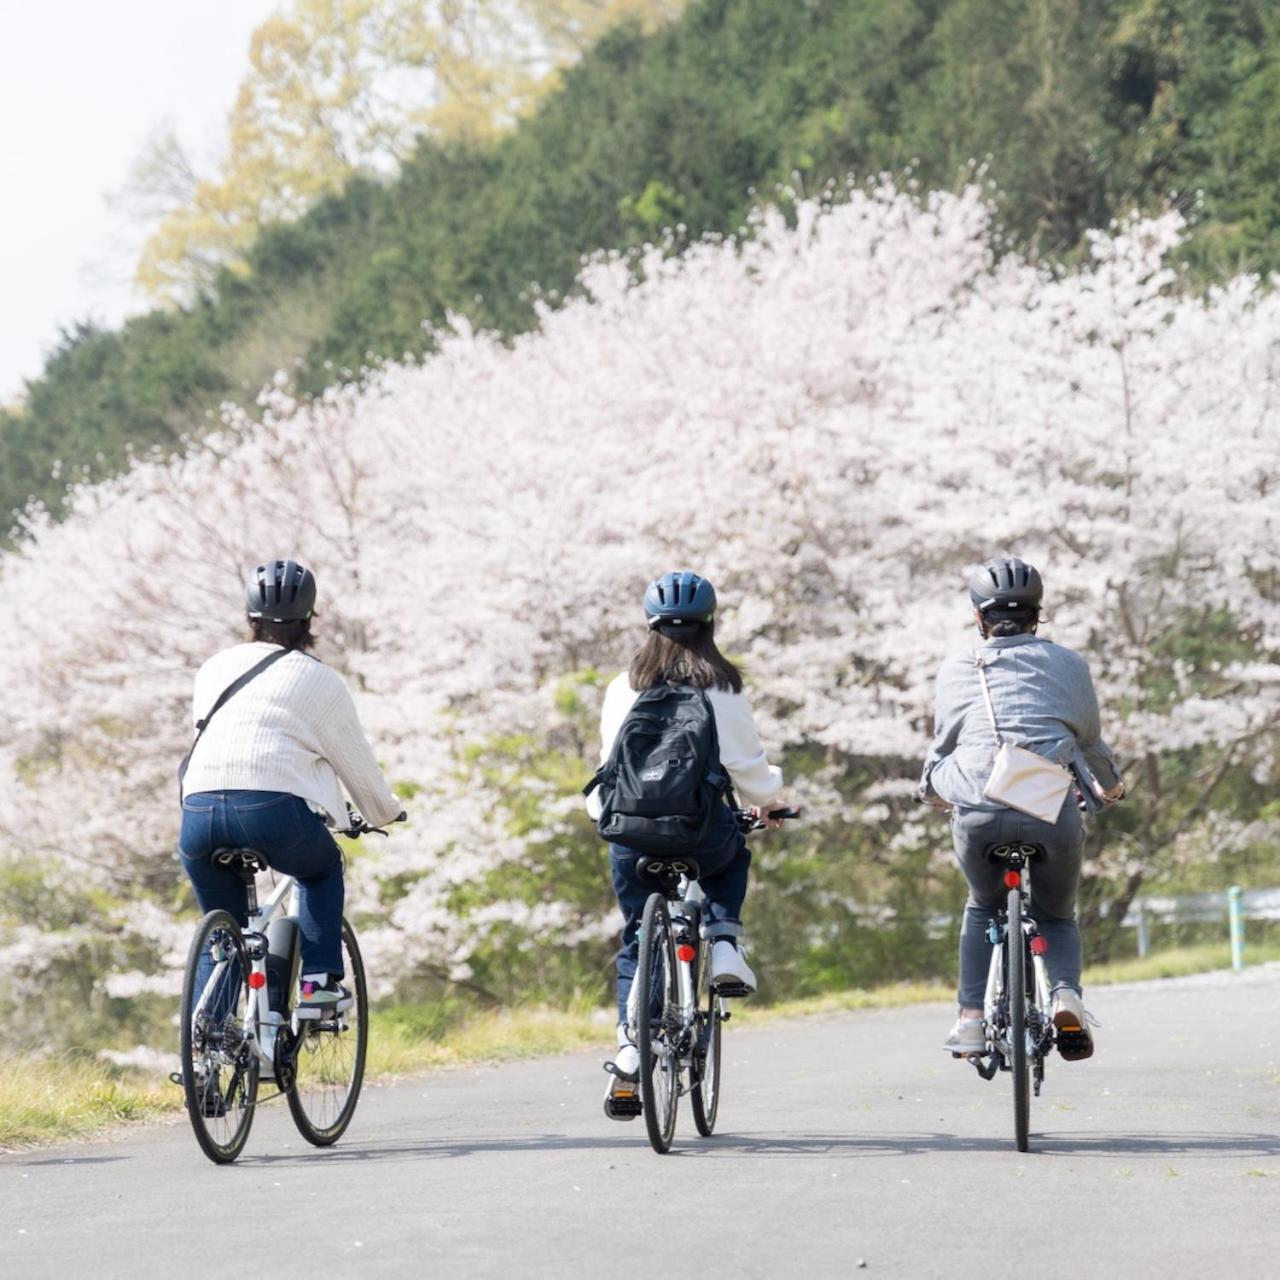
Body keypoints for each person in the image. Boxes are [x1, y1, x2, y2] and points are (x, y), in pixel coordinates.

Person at [917, 556, 1124, 1061]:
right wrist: (1112, 787)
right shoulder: (1069, 664)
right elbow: (1090, 743)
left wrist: (931, 790)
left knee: (982, 906)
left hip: (978, 807)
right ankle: (1065, 995)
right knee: (1056, 914)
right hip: (1049, 808)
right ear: (1039, 614)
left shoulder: (956, 667)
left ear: (977, 617)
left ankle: (969, 1020)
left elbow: (945, 745)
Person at [587, 571, 787, 1087]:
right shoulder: (722, 686)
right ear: (710, 624)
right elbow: (749, 771)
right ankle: (723, 941)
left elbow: (609, 765)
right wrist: (769, 802)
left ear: (649, 625)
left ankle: (631, 1051)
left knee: (637, 938)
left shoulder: (622, 686)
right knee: (732, 854)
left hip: (630, 832)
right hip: (699, 831)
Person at [179, 558, 404, 1014]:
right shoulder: (319, 679)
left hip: (198, 812)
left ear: (249, 617)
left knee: (224, 936)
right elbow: (356, 766)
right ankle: (318, 985)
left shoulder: (213, 668)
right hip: (272, 812)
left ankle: (209, 1038)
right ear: (309, 620)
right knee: (320, 870)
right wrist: (383, 812)